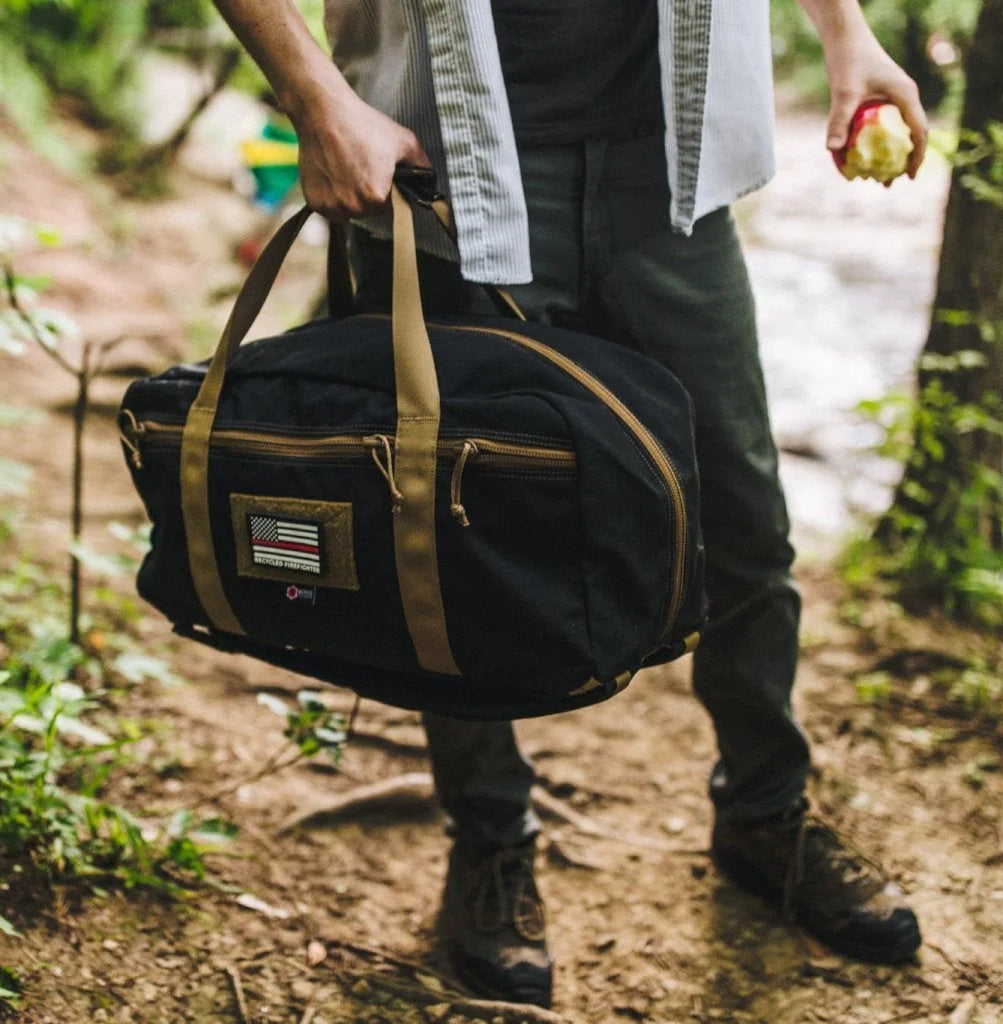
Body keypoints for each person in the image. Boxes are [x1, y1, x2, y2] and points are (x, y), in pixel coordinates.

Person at [211, 0, 930, 1009]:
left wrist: (845, 33)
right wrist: (314, 98)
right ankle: (490, 842)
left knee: (742, 524)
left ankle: (765, 815)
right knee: (448, 537)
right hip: (442, 164)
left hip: (675, 164)